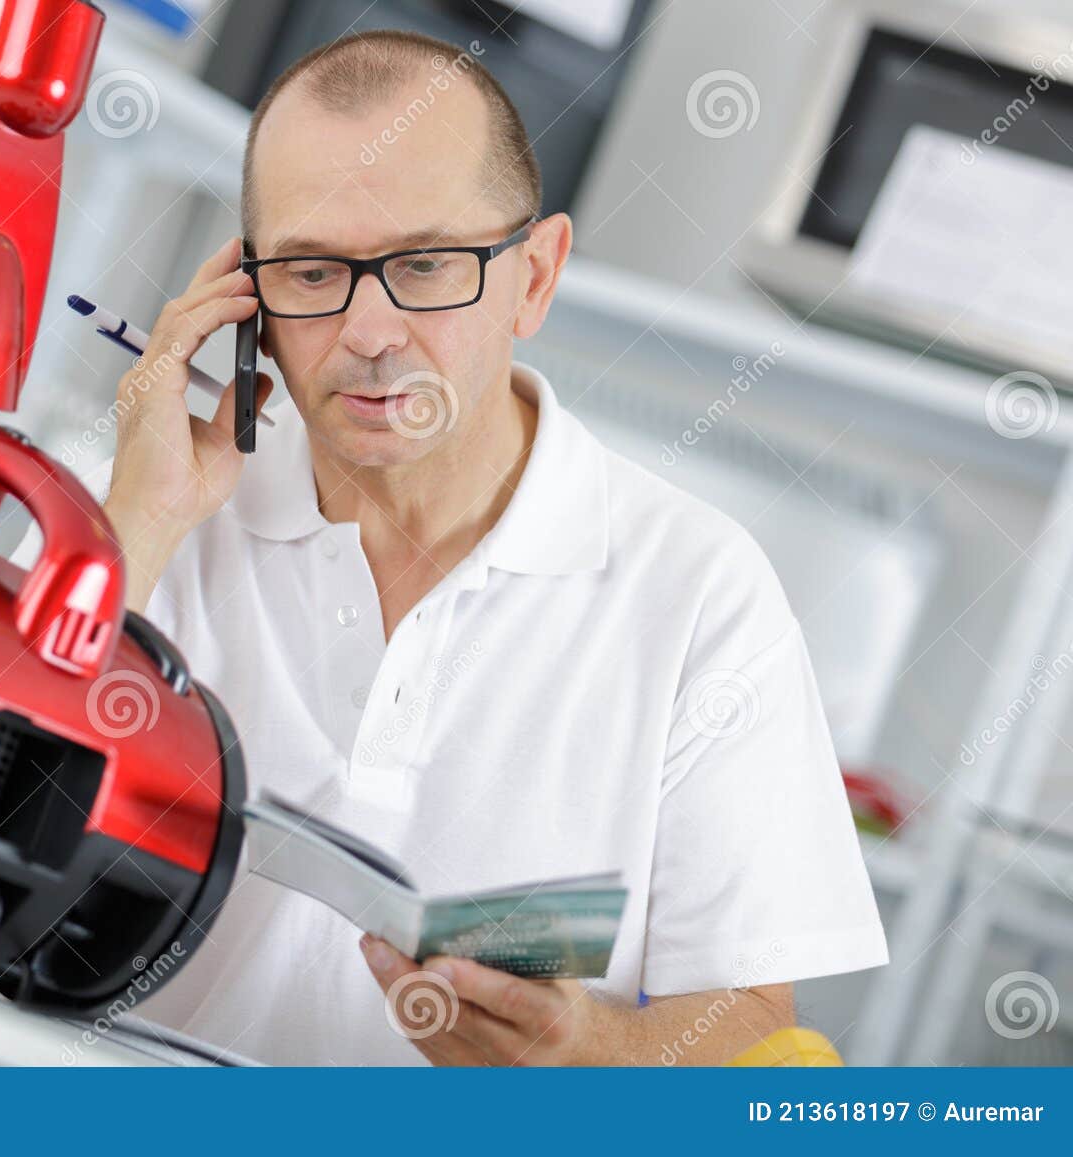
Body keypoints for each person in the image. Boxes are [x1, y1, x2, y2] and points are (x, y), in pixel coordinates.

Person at [59, 28, 887, 1065]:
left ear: (533, 278)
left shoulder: (701, 593)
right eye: (311, 270)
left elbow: (752, 1029)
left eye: (424, 263)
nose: (368, 330)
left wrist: (582, 1047)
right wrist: (136, 524)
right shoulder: (144, 517)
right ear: (247, 302)